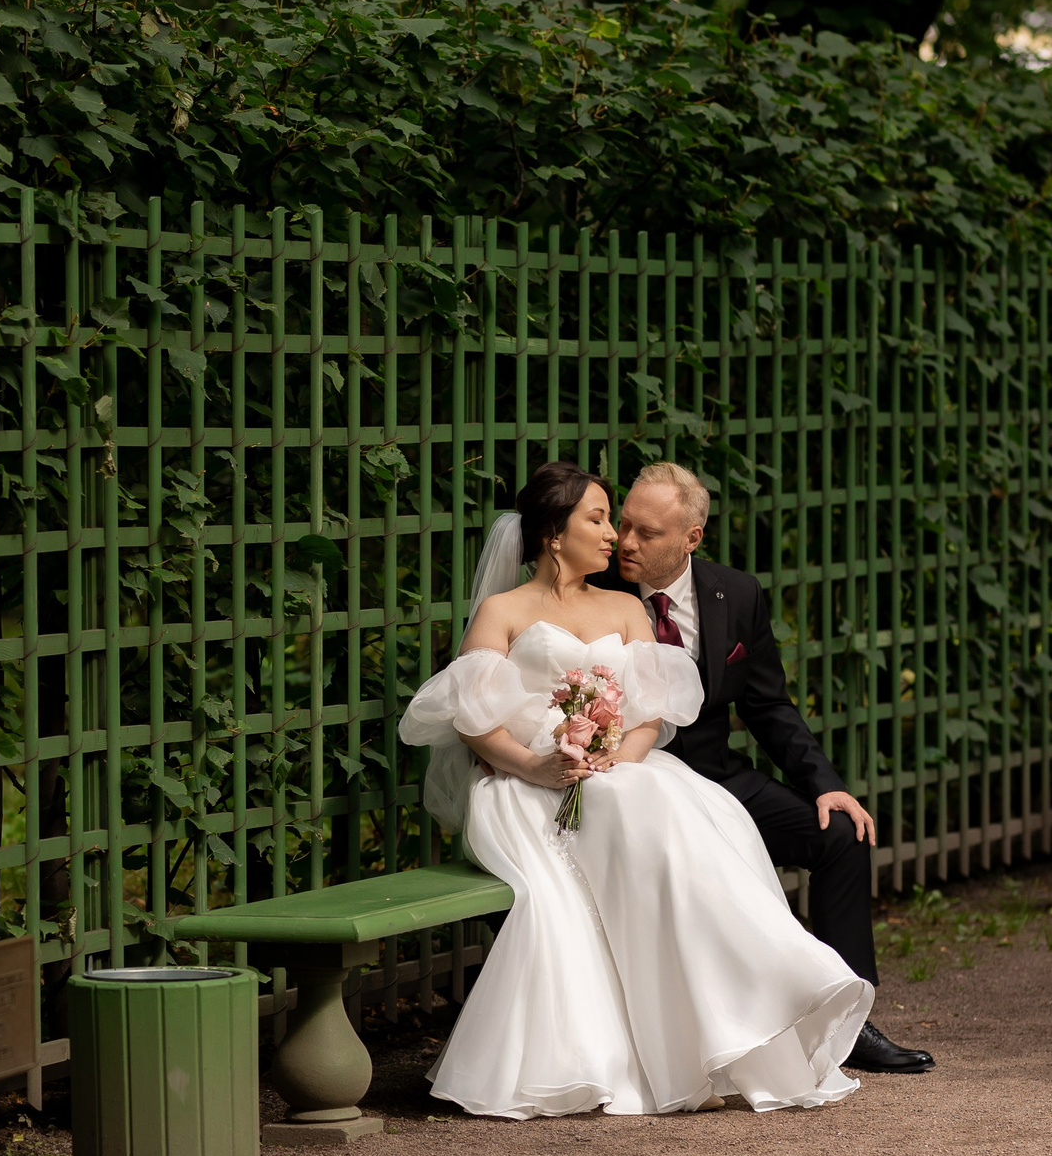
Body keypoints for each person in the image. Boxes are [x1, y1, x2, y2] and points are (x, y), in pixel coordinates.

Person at [400, 462, 872, 1117]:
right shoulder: (502, 611)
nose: (614, 536)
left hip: (622, 770)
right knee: (646, 814)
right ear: (552, 534)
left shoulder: (624, 607)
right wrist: (539, 765)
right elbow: (475, 721)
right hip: (525, 783)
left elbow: (651, 712)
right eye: (599, 518)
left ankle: (765, 989)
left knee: (686, 820)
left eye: (620, 521)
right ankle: (691, 1028)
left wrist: (615, 757)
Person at [601, 461, 935, 1074]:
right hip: (633, 791)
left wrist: (827, 786)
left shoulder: (737, 593)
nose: (625, 542)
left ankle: (849, 1019)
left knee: (841, 836)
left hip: (718, 780)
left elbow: (768, 706)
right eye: (624, 525)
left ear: (690, 539)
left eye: (646, 533)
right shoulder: (595, 591)